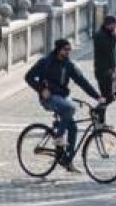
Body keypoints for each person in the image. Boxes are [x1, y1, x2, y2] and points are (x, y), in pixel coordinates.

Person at [25, 39, 105, 172]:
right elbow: (28, 77)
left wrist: (97, 96)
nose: (68, 52)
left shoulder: (69, 65)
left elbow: (82, 82)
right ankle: (58, 137)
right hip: (49, 98)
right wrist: (40, 89)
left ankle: (68, 161)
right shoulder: (45, 62)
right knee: (70, 108)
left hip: (62, 97)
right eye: (65, 50)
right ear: (58, 49)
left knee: (73, 128)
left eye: (69, 50)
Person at [92, 15, 116, 124]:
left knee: (115, 94)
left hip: (111, 70)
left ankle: (98, 111)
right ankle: (100, 119)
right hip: (103, 71)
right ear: (108, 24)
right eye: (114, 24)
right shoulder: (100, 36)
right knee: (106, 95)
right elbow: (108, 48)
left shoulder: (109, 34)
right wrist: (114, 37)